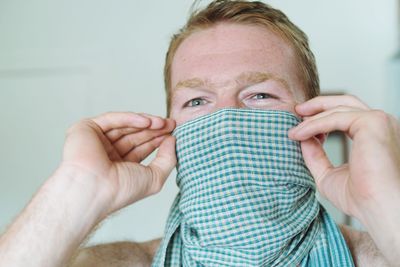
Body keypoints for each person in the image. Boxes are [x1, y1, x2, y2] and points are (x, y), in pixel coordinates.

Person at [1, 0, 399, 266]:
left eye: (260, 94)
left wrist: (382, 201)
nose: (225, 119)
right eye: (196, 102)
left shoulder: (376, 254)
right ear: (168, 131)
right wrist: (77, 189)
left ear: (314, 125)